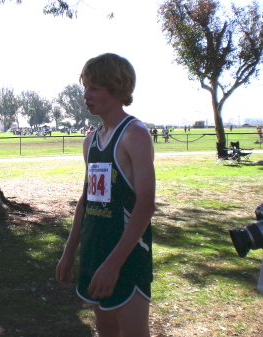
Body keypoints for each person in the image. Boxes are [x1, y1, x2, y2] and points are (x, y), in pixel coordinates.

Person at [56, 53, 155, 337]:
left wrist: (113, 265)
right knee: (106, 330)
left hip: (126, 255)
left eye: (95, 88)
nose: (86, 95)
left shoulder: (134, 134)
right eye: (85, 87)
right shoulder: (90, 140)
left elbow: (145, 206)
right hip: (94, 251)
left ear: (118, 89)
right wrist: (69, 251)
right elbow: (86, 201)